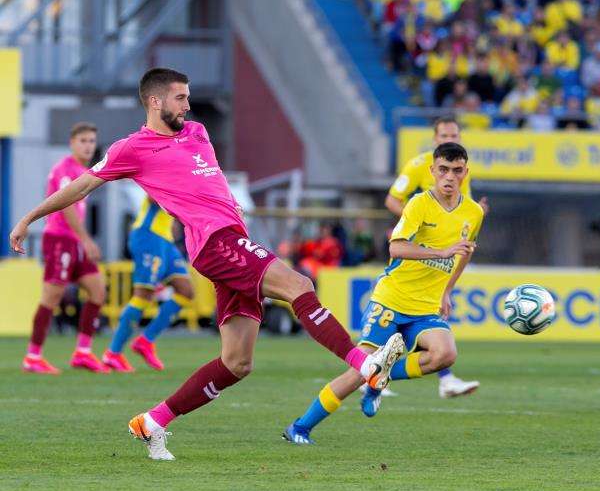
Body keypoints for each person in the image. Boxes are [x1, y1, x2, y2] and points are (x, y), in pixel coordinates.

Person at [9, 68, 404, 460]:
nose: (187, 104)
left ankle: (153, 421)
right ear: (154, 101)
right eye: (180, 97)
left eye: (188, 95)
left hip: (233, 241)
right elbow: (80, 186)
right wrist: (29, 219)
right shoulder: (131, 149)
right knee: (299, 285)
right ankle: (364, 363)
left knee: (237, 363)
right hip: (215, 243)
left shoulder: (197, 132)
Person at [284, 142, 484, 444]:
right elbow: (396, 247)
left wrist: (448, 290)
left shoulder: (473, 212)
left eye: (457, 171)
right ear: (432, 171)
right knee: (358, 369)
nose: (449, 177)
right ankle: (300, 427)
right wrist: (441, 250)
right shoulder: (419, 204)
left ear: (465, 173)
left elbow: (465, 251)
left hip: (426, 306)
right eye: (443, 169)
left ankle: (381, 375)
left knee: (445, 354)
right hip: (392, 299)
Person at [386, 116, 485, 398]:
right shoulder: (419, 166)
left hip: (442, 250)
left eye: (453, 134)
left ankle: (442, 377)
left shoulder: (460, 169)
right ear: (434, 139)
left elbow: (461, 210)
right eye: (443, 135)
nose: (448, 139)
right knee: (398, 309)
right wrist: (414, 221)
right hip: (416, 245)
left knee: (429, 311)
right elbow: (392, 200)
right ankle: (370, 372)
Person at [21, 122, 108, 375]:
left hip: (74, 241)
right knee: (52, 297)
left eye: (92, 141)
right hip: (60, 239)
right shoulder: (65, 169)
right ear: (72, 143)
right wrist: (87, 240)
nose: (88, 145)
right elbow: (66, 207)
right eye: (83, 141)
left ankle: (83, 352)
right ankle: (32, 356)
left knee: (98, 290)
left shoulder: (85, 170)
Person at [102, 197, 196, 372]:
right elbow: (153, 196)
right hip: (149, 235)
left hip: (165, 241)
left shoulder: (181, 178)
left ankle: (145, 341)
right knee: (143, 294)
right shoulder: (164, 174)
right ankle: (113, 353)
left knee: (186, 291)